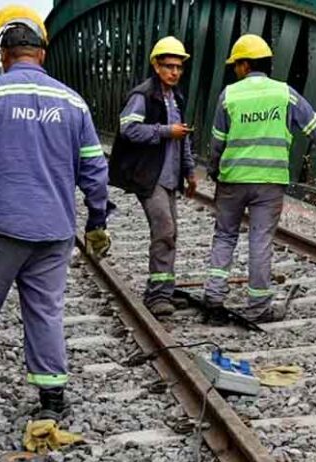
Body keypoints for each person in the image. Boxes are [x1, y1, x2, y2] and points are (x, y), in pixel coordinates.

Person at [0, 5, 113, 418]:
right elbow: (95, 170)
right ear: (42, 53)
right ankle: (51, 396)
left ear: (4, 53)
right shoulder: (73, 102)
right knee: (46, 310)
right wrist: (97, 218)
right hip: (54, 231)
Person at [204, 34, 316, 323]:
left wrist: (214, 171)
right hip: (269, 182)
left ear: (243, 65)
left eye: (236, 65)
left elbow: (217, 142)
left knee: (225, 236)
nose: (234, 70)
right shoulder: (285, 94)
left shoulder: (228, 95)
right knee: (260, 240)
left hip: (232, 180)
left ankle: (214, 298)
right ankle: (258, 307)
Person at [109, 36, 196, 317]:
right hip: (150, 176)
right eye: (169, 66)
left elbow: (182, 139)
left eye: (179, 67)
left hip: (170, 176)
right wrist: (164, 131)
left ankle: (163, 291)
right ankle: (158, 297)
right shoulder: (143, 95)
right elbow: (128, 129)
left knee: (170, 233)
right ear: (156, 66)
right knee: (164, 231)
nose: (175, 72)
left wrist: (190, 171)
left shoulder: (176, 97)